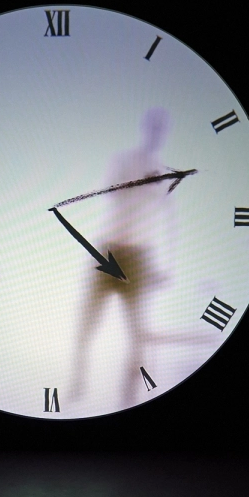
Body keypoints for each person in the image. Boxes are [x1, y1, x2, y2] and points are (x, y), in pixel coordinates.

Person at [71, 107, 176, 409]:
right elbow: (110, 191)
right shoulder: (124, 160)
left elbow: (171, 222)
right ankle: (77, 379)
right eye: (153, 128)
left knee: (138, 333)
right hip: (110, 250)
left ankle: (127, 399)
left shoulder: (166, 174)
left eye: (160, 130)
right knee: (86, 321)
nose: (156, 135)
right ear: (146, 130)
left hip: (139, 258)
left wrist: (166, 266)